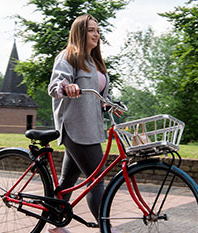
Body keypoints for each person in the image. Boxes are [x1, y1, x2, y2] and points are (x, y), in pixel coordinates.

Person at [48, 14, 118, 232]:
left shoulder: (95, 62)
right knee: (96, 178)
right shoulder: (68, 56)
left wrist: (109, 105)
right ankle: (105, 228)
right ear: (79, 32)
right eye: (90, 30)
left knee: (67, 180)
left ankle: (54, 224)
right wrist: (66, 87)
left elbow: (97, 97)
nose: (96, 34)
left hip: (91, 128)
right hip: (75, 127)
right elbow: (54, 86)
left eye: (97, 30)